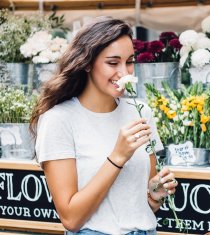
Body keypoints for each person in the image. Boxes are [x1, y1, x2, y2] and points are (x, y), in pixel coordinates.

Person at [30, 17, 178, 235]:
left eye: (129, 61)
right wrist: (117, 157)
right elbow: (71, 219)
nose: (125, 73)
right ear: (87, 63)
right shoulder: (58, 120)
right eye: (112, 62)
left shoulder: (140, 112)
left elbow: (142, 206)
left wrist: (156, 194)